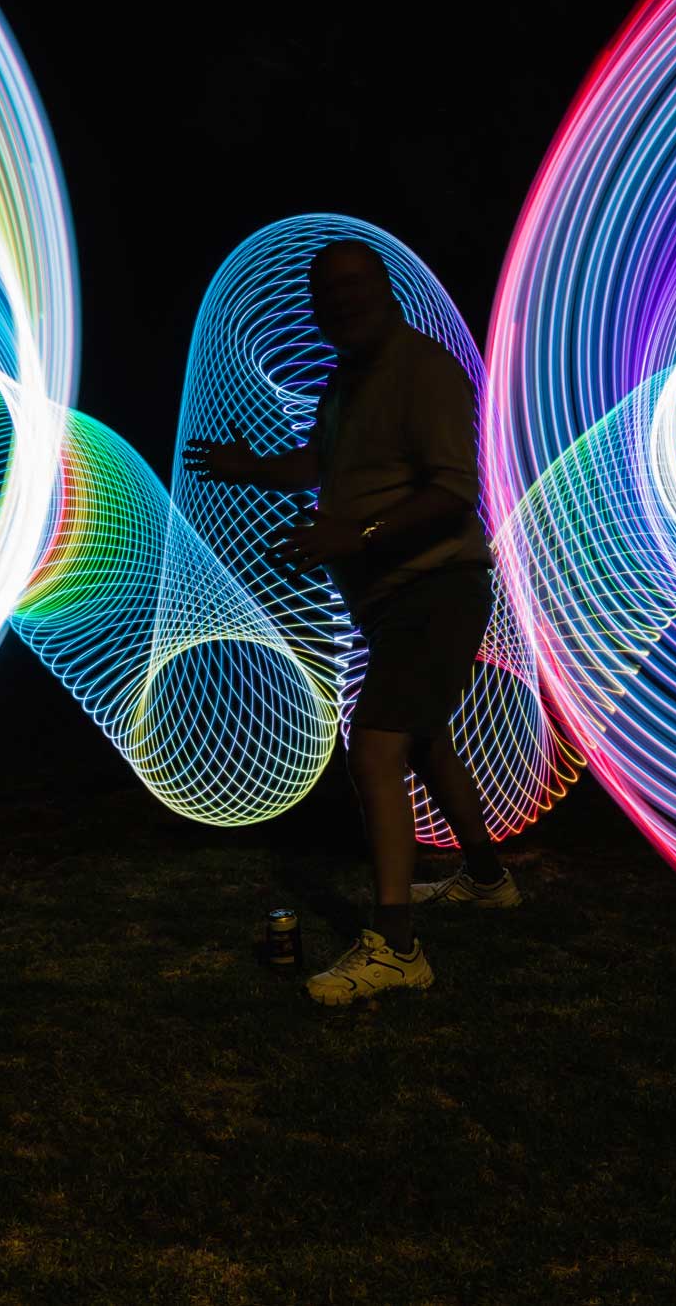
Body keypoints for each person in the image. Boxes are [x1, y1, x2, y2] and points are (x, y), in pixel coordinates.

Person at [182, 239, 520, 1005]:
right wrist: (253, 469)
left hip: (436, 587)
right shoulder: (349, 378)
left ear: (385, 288)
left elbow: (453, 492)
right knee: (425, 741)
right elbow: (323, 465)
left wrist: (356, 536)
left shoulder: (424, 370)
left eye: (355, 285)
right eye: (326, 292)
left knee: (374, 745)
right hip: (391, 598)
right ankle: (489, 880)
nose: (341, 301)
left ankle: (396, 947)